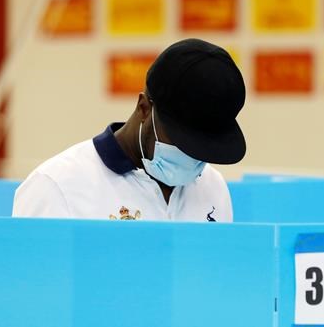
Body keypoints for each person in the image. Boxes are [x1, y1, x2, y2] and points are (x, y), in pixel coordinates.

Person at [12, 38, 245, 222]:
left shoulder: (213, 189)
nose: (192, 157)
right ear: (144, 108)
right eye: (182, 142)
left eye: (204, 149)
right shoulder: (58, 187)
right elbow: (30, 281)